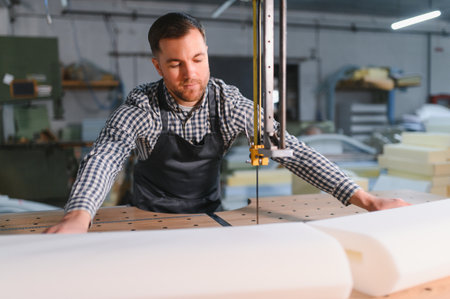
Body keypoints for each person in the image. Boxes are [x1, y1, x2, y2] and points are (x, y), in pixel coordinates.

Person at [45, 12, 409, 234]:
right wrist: (79, 215)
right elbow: (106, 155)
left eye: (198, 58)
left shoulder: (228, 104)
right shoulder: (144, 107)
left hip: (209, 219)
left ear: (206, 53)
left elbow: (293, 150)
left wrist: (365, 199)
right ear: (157, 66)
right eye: (175, 64)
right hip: (147, 218)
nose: (191, 74)